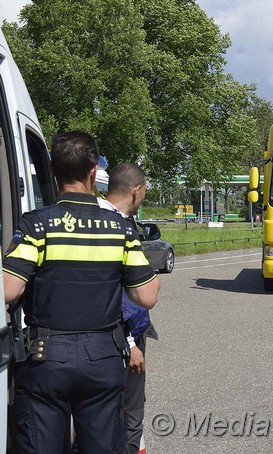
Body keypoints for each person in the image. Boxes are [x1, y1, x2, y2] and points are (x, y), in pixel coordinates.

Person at [3, 131, 159, 454]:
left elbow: (8, 290)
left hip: (46, 360)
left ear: (52, 169)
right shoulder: (121, 229)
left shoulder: (36, 226)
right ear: (92, 172)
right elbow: (147, 296)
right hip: (103, 358)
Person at [98, 163, 158, 454]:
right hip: (122, 337)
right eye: (145, 191)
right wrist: (132, 343)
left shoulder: (95, 219)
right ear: (136, 191)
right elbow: (124, 295)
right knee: (130, 413)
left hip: (98, 338)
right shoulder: (118, 227)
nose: (144, 196)